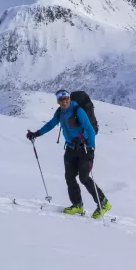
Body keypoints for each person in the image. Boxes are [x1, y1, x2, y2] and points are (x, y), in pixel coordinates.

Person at [26, 90, 111, 218]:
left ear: (69, 98)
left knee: (84, 178)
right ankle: (77, 205)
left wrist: (91, 147)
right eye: (61, 100)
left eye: (66, 98)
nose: (64, 101)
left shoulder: (77, 110)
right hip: (71, 148)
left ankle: (103, 203)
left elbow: (89, 129)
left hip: (84, 149)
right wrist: (36, 134)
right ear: (58, 101)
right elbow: (51, 124)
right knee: (69, 177)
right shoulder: (60, 112)